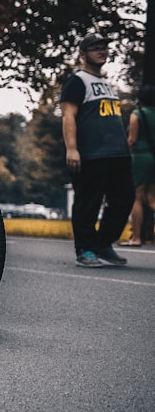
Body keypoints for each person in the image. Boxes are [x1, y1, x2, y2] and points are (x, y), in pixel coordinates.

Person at [60, 33, 134, 267]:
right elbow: (68, 115)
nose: (102, 51)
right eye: (95, 48)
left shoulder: (107, 84)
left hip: (117, 154)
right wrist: (72, 149)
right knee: (87, 202)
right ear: (82, 54)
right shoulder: (77, 81)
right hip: (91, 153)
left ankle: (102, 243)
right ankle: (85, 249)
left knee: (124, 199)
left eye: (104, 47)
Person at [123, 84, 155, 245]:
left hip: (141, 156)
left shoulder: (137, 114)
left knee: (137, 196)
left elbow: (132, 140)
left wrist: (123, 155)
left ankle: (136, 237)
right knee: (151, 198)